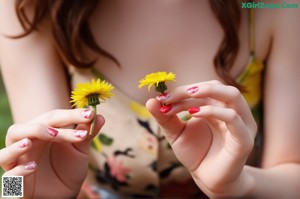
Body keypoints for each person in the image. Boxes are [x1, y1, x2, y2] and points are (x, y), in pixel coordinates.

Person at [0, 0, 300, 198]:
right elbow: (19, 180)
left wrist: (240, 185)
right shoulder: (26, 6)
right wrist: (12, 191)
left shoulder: (275, 6)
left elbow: (293, 171)